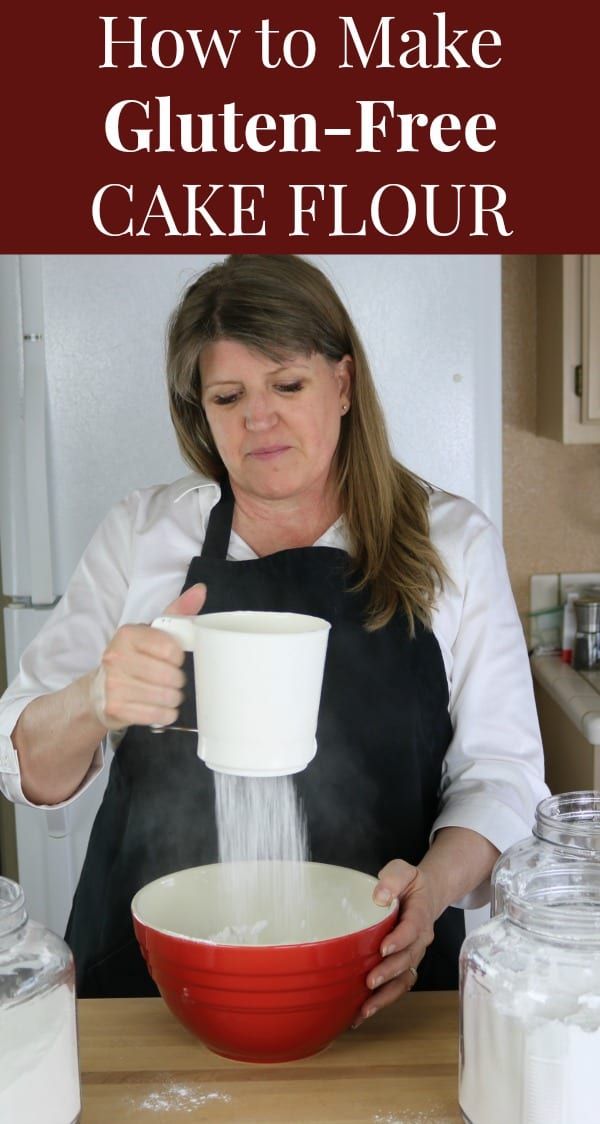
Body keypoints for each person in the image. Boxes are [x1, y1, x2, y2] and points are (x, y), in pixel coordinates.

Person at [0, 254, 547, 1016]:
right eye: (229, 396)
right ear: (201, 410)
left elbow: (502, 775)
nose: (259, 419)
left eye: (287, 385)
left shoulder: (450, 541)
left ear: (345, 384)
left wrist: (433, 893)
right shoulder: (145, 534)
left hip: (382, 973)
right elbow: (27, 766)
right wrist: (95, 701)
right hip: (153, 987)